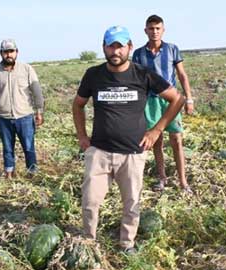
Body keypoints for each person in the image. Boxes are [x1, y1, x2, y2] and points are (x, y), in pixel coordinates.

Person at [72, 26, 185, 254]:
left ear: (129, 47)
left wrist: (156, 130)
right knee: (90, 202)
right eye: (110, 45)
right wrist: (82, 136)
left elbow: (176, 99)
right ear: (104, 47)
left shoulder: (142, 74)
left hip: (133, 153)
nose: (115, 51)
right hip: (100, 152)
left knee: (131, 203)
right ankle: (88, 242)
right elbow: (78, 104)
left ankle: (127, 244)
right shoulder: (93, 74)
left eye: (120, 46)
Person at [133, 14, 195, 193]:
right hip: (150, 101)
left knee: (176, 139)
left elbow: (182, 75)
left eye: (158, 28)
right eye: (151, 28)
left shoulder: (172, 49)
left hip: (171, 100)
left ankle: (183, 182)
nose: (154, 32)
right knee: (155, 140)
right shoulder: (138, 54)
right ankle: (162, 178)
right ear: (146, 30)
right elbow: (137, 80)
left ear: (163, 30)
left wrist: (188, 99)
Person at [0, 39, 44, 178]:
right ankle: (9, 174)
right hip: (4, 118)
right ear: (1, 53)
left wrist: (39, 111)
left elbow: (36, 91)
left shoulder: (26, 69)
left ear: (16, 52)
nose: (9, 55)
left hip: (24, 116)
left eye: (11, 51)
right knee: (7, 148)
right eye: (6, 52)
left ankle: (32, 173)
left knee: (29, 147)